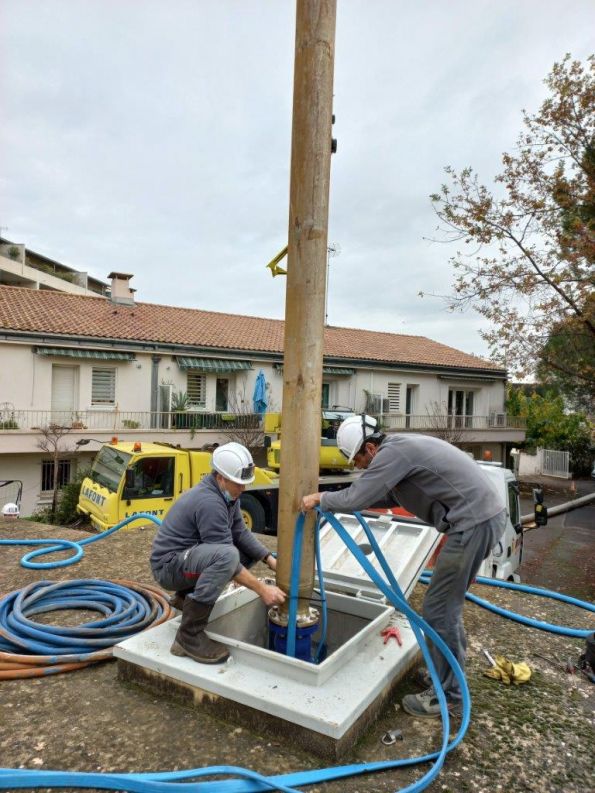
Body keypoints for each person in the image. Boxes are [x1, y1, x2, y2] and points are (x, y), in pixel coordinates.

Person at [301, 414, 506, 718]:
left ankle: (448, 696)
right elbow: (378, 495)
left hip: (472, 523)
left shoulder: (393, 453)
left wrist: (322, 498)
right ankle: (446, 675)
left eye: (358, 459)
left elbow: (358, 494)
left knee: (438, 610)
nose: (358, 467)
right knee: (446, 607)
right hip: (477, 519)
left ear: (370, 448)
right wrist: (346, 499)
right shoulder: (399, 451)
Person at [151, 441, 286, 665]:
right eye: (238, 484)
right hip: (169, 568)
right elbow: (226, 559)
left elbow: (240, 533)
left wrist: (270, 559)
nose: (242, 489)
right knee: (227, 556)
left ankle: (186, 600)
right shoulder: (210, 502)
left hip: (187, 560)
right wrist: (262, 590)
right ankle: (189, 636)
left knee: (240, 550)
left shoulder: (228, 495)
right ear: (221, 477)